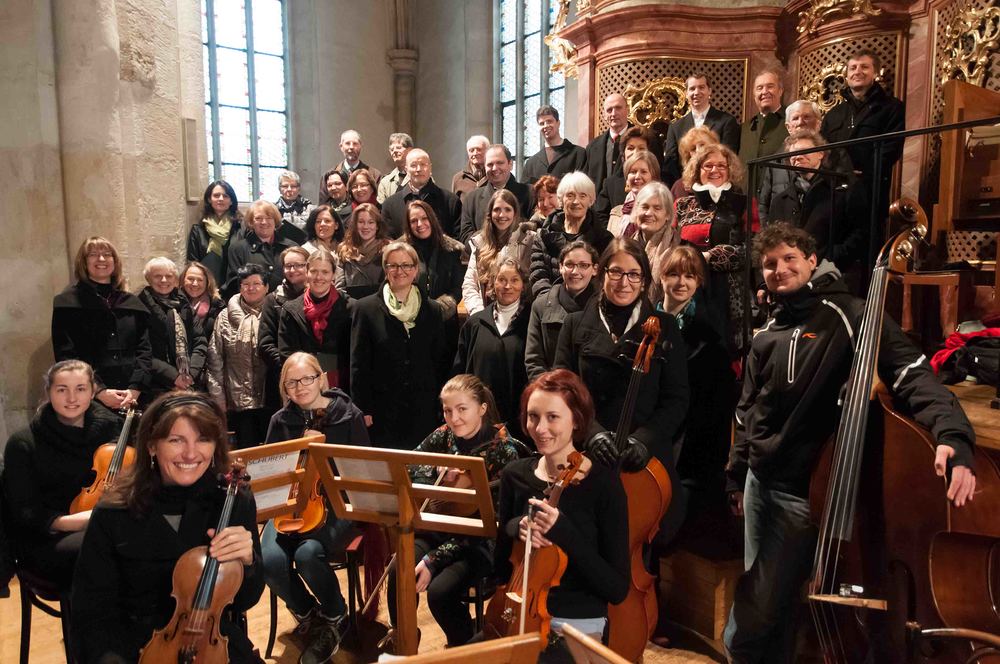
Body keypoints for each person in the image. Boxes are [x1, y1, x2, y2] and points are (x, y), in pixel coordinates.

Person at [723, 223, 976, 663]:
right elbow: (748, 412)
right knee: (769, 605)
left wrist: (952, 435)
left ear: (811, 260)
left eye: (789, 258)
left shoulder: (853, 314)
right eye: (769, 264)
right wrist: (736, 473)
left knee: (753, 617)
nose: (779, 269)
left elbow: (914, 376)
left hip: (805, 495)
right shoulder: (767, 331)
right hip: (758, 485)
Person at [71, 391, 264, 663]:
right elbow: (91, 614)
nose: (191, 453)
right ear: (152, 445)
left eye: (203, 439)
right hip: (131, 645)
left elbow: (245, 601)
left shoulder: (233, 500)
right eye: (176, 440)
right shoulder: (114, 511)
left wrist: (248, 562)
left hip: (210, 644)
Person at [554, 238, 689, 545]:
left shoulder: (665, 327)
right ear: (601, 273)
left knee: (642, 541)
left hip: (643, 462)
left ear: (644, 280)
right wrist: (591, 433)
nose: (624, 282)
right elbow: (562, 393)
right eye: (615, 272)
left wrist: (644, 441)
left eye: (633, 274)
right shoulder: (574, 324)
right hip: (586, 455)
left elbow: (677, 399)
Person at [494, 369, 629, 658]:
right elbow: (498, 568)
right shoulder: (514, 475)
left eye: (552, 417)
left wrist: (564, 532)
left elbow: (617, 589)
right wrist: (515, 526)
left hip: (576, 621)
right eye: (533, 416)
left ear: (576, 420)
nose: (540, 428)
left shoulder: (604, 484)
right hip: (518, 613)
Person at [387, 375, 524, 647]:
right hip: (441, 526)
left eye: (462, 409)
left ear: (482, 408)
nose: (454, 418)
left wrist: (433, 560)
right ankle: (403, 639)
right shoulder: (445, 434)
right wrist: (434, 469)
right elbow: (408, 465)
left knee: (440, 593)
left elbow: (493, 524)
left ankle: (463, 649)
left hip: (479, 542)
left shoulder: (504, 451)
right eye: (448, 411)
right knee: (398, 569)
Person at [262, 352, 370, 663]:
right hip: (289, 506)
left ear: (321, 378)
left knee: (307, 553)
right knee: (268, 559)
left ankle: (335, 614)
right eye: (291, 383)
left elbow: (362, 472)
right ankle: (310, 613)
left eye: (307, 378)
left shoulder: (348, 415)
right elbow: (270, 471)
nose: (300, 387)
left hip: (336, 504)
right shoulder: (280, 421)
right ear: (284, 388)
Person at [3, 360, 122, 590]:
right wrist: (85, 521)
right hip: (47, 539)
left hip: (106, 527)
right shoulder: (23, 443)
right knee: (103, 548)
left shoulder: (113, 430)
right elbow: (26, 513)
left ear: (92, 392)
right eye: (62, 390)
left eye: (80, 389)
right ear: (48, 392)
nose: (72, 398)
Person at [657, 246, 735, 539]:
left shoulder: (710, 329)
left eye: (690, 276)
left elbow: (717, 402)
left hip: (690, 443)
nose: (681, 283)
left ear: (699, 282)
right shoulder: (645, 320)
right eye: (674, 274)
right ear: (661, 277)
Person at [350, 242, 448, 448]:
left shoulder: (433, 309)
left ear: (415, 270)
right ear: (385, 270)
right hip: (382, 410)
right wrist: (363, 409)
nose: (399, 271)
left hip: (424, 409)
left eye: (406, 265)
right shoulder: (365, 309)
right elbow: (359, 364)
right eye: (393, 265)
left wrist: (442, 405)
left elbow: (440, 361)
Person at [674, 144, 758, 354]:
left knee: (727, 353)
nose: (715, 170)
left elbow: (754, 249)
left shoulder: (744, 204)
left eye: (721, 165)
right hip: (690, 288)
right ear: (697, 170)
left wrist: (710, 257)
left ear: (730, 170)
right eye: (708, 165)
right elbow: (674, 247)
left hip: (730, 292)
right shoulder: (682, 205)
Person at [52, 236, 151, 411]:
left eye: (107, 254)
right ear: (83, 262)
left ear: (115, 261)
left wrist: (135, 388)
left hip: (134, 397)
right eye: (93, 254)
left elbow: (144, 350)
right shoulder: (68, 303)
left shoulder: (131, 303)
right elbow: (67, 356)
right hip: (90, 398)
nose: (101, 259)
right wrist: (99, 391)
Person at [767, 130, 867, 270]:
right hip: (793, 273)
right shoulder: (780, 200)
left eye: (804, 151)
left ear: (820, 154)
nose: (798, 157)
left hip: (832, 270)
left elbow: (859, 232)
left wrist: (831, 259)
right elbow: (772, 239)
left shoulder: (843, 190)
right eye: (793, 154)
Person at [454, 258, 531, 436]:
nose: (507, 286)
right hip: (478, 421)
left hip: (519, 422)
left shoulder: (532, 322)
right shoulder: (475, 323)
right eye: (501, 279)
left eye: (514, 280)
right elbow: (460, 371)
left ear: (523, 285)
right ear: (493, 282)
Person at [207, 263, 269, 449]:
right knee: (245, 454)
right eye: (246, 284)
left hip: (271, 398)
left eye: (256, 283)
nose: (251, 288)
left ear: (266, 287)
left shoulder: (275, 312)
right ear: (240, 287)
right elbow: (215, 359)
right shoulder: (225, 317)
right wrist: (218, 400)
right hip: (238, 401)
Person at [277, 247, 352, 391]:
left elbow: (357, 354)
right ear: (306, 272)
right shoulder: (290, 310)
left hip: (343, 385)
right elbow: (286, 354)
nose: (319, 277)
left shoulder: (351, 308)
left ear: (333, 275)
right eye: (314, 271)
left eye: (325, 272)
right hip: (303, 386)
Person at [529, 171, 613, 298]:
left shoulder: (605, 239)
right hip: (550, 303)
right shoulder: (543, 235)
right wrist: (551, 303)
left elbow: (604, 279)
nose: (576, 201)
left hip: (590, 305)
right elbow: (538, 275)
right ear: (561, 200)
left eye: (583, 196)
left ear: (590, 200)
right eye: (570, 196)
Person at [525, 241, 599, 380]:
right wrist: (551, 390)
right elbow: (534, 361)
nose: (575, 272)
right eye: (569, 265)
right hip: (552, 388)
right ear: (560, 267)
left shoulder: (604, 307)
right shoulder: (541, 306)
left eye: (583, 265)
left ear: (595, 269)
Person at [137, 257, 207, 399]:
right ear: (148, 279)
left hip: (189, 383)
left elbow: (200, 341)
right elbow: (140, 350)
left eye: (169, 276)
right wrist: (174, 376)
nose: (164, 280)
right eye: (158, 276)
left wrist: (191, 373)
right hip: (155, 384)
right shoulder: (139, 307)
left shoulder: (184, 304)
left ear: (175, 279)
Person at [462, 189, 537, 315]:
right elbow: (470, 284)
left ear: (515, 213)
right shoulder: (479, 243)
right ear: (490, 213)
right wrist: (479, 314)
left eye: (507, 209)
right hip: (486, 314)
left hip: (520, 316)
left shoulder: (529, 240)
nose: (502, 215)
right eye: (497, 210)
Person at [258, 245, 310, 411]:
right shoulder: (272, 300)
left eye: (299, 265)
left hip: (315, 374)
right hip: (284, 376)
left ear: (308, 266)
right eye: (288, 266)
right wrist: (291, 367)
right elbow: (265, 344)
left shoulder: (317, 296)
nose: (292, 270)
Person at [663, 74, 741, 185]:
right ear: (686, 93)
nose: (696, 92)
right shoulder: (675, 127)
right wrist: (684, 184)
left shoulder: (727, 122)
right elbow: (671, 165)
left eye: (701, 87)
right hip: (685, 186)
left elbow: (729, 159)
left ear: (709, 91)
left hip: (718, 184)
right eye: (692, 89)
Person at [402, 200, 467, 321]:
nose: (420, 224)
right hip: (409, 320)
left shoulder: (453, 251)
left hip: (445, 321)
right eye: (414, 221)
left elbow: (458, 287)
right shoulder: (400, 252)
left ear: (432, 219)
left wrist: (437, 310)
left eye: (424, 218)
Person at [459, 144, 534, 244]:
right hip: (484, 252)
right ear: (484, 167)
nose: (494, 168)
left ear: (510, 164)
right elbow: (465, 236)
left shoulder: (530, 194)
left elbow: (535, 229)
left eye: (500, 163)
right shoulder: (472, 199)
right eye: (490, 164)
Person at [381, 148, 462, 239]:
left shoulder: (451, 201)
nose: (418, 169)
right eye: (413, 165)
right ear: (406, 169)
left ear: (430, 168)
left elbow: (457, 238)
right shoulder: (390, 205)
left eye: (423, 164)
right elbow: (388, 240)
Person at [225, 199, 298, 295]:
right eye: (258, 218)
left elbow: (298, 279)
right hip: (252, 301)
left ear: (275, 220)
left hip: (286, 300)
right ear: (251, 222)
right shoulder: (237, 249)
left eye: (269, 218)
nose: (264, 222)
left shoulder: (291, 247)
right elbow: (234, 283)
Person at [738, 69, 789, 195]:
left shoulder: (792, 122)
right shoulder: (743, 128)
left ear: (780, 91)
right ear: (754, 95)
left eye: (770, 86)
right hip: (746, 198)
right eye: (759, 88)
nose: (764, 92)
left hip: (778, 197)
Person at [594, 125, 659, 223]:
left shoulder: (659, 186)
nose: (635, 152)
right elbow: (599, 218)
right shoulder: (610, 184)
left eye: (641, 148)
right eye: (630, 148)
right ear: (623, 154)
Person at [630, 181, 679, 304]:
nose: (649, 213)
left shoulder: (682, 249)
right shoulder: (625, 248)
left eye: (657, 208)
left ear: (668, 214)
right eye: (644, 207)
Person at [187, 180, 242, 287]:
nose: (220, 199)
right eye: (216, 195)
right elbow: (193, 263)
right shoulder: (198, 230)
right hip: (206, 286)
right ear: (209, 199)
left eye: (225, 196)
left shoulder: (240, 228)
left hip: (234, 285)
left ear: (231, 201)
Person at [336, 203, 391, 300]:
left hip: (379, 303)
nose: (365, 226)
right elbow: (339, 287)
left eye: (371, 222)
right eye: (361, 222)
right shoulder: (344, 249)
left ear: (377, 226)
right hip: (351, 304)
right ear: (355, 224)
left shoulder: (389, 250)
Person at [520, 105, 586, 185]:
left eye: (549, 121)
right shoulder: (531, 163)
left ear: (558, 123)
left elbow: (583, 187)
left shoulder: (578, 154)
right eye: (542, 123)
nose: (545, 126)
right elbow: (524, 191)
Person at [584, 93, 633, 195]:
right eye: (609, 110)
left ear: (627, 110)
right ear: (604, 115)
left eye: (618, 108)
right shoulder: (592, 147)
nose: (613, 113)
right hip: (599, 203)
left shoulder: (644, 139)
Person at [606, 150, 661, 238]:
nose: (637, 177)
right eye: (633, 172)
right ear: (627, 179)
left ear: (654, 177)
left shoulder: (662, 211)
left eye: (643, 172)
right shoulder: (616, 213)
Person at [179, 261, 226, 354]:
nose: (195, 284)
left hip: (207, 358)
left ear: (207, 282)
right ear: (183, 280)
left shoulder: (218, 306)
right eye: (190, 279)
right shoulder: (174, 303)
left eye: (200, 280)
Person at [670, 125, 720, 201]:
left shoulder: (724, 180)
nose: (698, 150)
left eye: (702, 145)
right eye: (693, 149)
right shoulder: (679, 187)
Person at [377, 132, 414, 204]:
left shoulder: (421, 175)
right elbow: (382, 207)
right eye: (392, 149)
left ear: (410, 150)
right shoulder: (385, 181)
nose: (394, 151)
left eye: (398, 148)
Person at [451, 134, 490, 202]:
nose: (475, 153)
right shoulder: (459, 178)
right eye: (471, 150)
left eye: (479, 149)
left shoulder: (495, 175)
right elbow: (454, 205)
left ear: (488, 151)